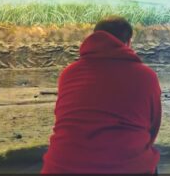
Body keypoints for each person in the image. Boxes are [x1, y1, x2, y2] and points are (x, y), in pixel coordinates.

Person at [41, 16, 162, 174]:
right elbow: (152, 128)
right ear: (128, 42)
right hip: (127, 168)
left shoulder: (69, 73)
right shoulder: (147, 76)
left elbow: (64, 120)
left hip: (60, 168)